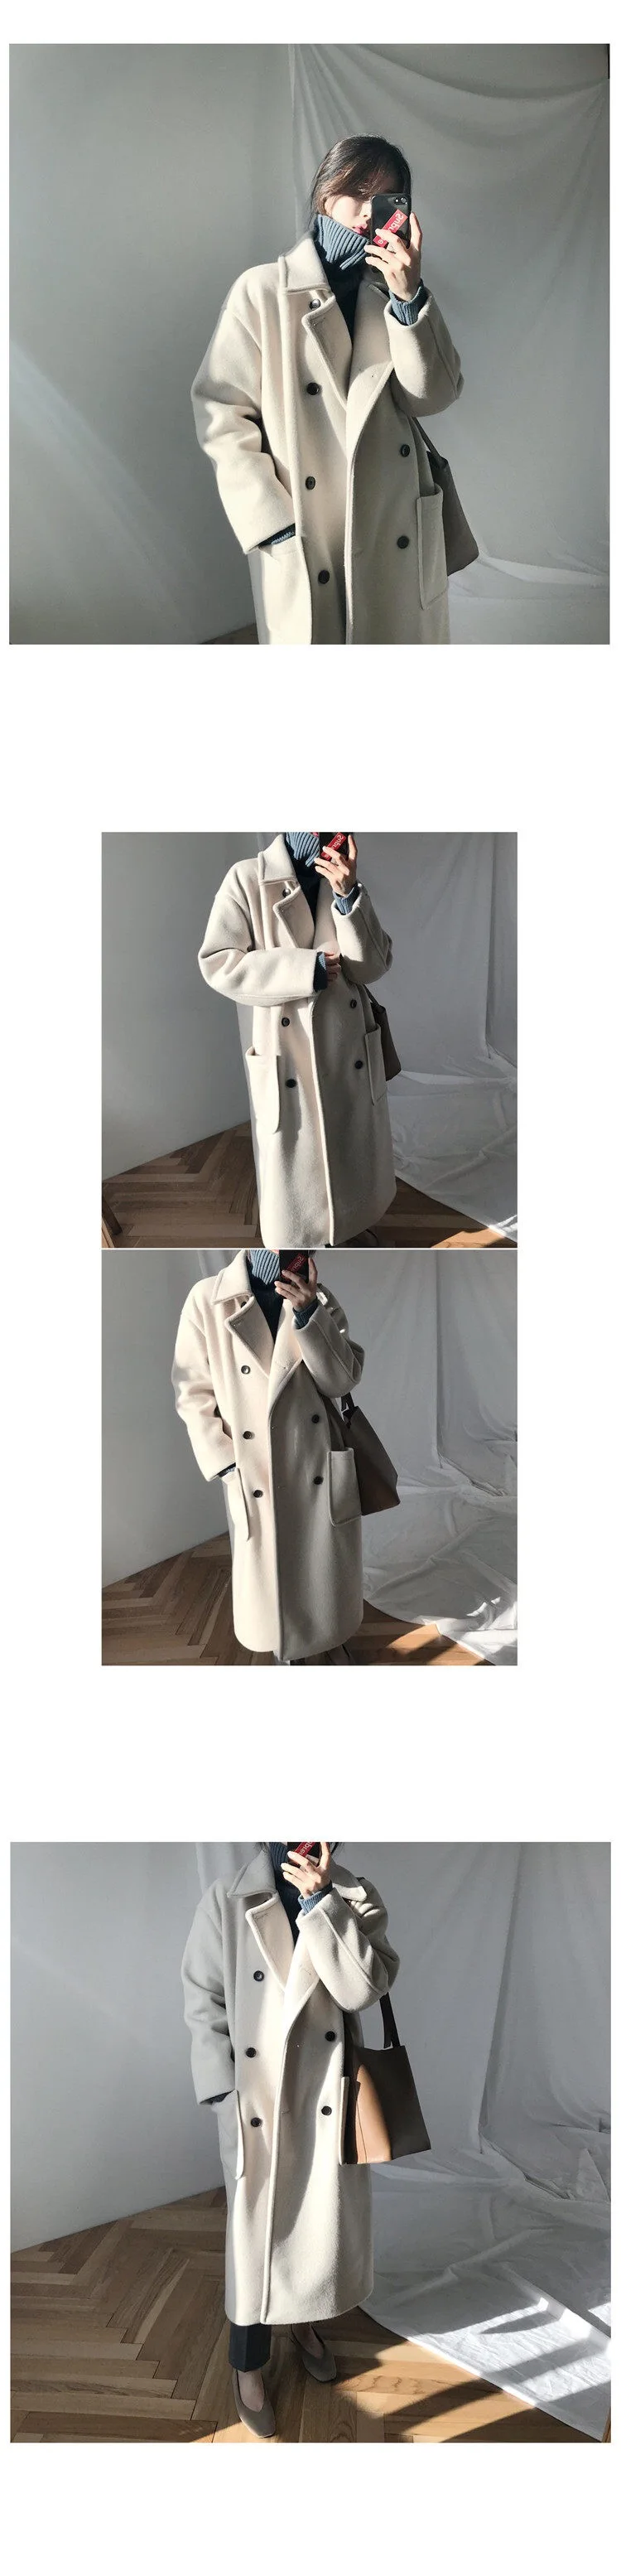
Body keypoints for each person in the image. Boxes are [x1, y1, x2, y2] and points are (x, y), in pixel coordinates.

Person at [192, 133, 463, 645]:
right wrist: (271, 522)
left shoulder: (390, 293)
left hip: (392, 525)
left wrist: (409, 298)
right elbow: (221, 411)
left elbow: (433, 397)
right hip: (307, 528)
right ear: (325, 195)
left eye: (383, 198)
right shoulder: (263, 291)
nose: (366, 211)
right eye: (356, 192)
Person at [181, 1842, 399, 2436]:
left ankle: (306, 2321)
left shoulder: (355, 1896)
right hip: (256, 2102)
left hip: (325, 2096)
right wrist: (222, 2093)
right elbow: (203, 1998)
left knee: (316, 2226)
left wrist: (321, 1903)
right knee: (254, 2239)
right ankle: (247, 2365)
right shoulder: (227, 1900)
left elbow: (362, 1990)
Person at [199, 834, 395, 1244]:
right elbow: (218, 963)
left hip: (347, 1043)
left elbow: (373, 967)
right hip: (289, 1052)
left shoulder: (338, 877)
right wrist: (306, 969)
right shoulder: (247, 878)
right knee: (299, 1164)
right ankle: (307, 1241)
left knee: (353, 1147)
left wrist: (348, 896)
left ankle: (351, 1226)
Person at [172, 1249, 364, 1663]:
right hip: (253, 1468)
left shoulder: (320, 1299)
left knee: (322, 1571)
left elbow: (341, 1382)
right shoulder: (208, 1299)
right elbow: (192, 1391)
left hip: (314, 1461)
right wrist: (226, 1462)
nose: (296, 1245)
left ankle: (325, 1637)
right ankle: (287, 1646)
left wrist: (309, 1314)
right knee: (269, 1569)